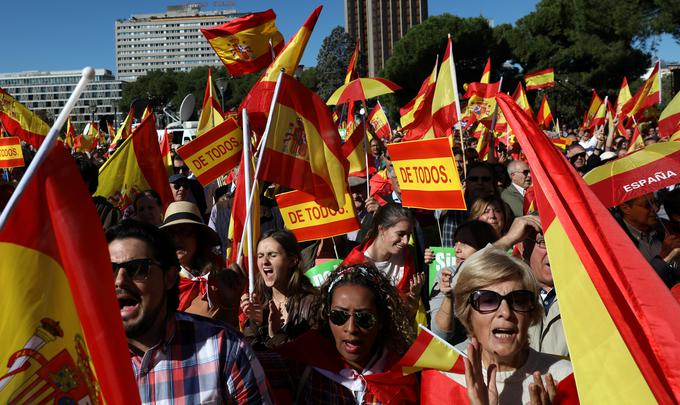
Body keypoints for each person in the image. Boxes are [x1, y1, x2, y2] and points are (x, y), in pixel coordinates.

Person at [107, 220, 272, 404]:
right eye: (109, 269)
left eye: (138, 269)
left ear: (169, 277)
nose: (119, 281)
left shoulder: (225, 348)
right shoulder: (84, 359)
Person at [450, 247, 575, 404]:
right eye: (488, 300)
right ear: (468, 314)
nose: (506, 312)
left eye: (518, 300)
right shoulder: (447, 379)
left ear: (531, 315)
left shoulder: (564, 378)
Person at [286, 264, 418, 403]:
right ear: (326, 315)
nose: (351, 328)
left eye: (364, 318)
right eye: (339, 316)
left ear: (381, 320)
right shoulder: (299, 363)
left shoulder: (405, 377)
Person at [160, 201, 245, 327]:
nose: (177, 239)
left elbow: (233, 323)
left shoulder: (219, 273)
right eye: (171, 234)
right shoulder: (160, 281)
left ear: (198, 238)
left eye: (185, 232)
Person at [240, 230, 319, 348]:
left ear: (292, 260)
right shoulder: (259, 302)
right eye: (260, 256)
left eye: (272, 255)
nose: (264, 262)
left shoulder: (312, 304)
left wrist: (277, 335)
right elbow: (248, 354)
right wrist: (256, 324)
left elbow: (312, 353)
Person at [342, 203, 424, 314]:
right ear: (382, 229)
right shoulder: (354, 265)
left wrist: (414, 295)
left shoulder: (407, 255)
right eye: (400, 234)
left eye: (408, 235)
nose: (405, 241)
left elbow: (409, 312)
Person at [429, 220, 500, 343]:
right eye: (456, 242)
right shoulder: (445, 275)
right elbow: (439, 335)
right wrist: (448, 297)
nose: (457, 249)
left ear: (483, 247)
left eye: (466, 243)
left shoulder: (501, 279)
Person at [616, 193, 680, 288]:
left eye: (655, 202)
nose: (655, 209)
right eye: (647, 205)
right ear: (626, 208)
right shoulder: (618, 242)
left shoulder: (662, 227)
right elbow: (640, 285)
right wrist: (664, 257)